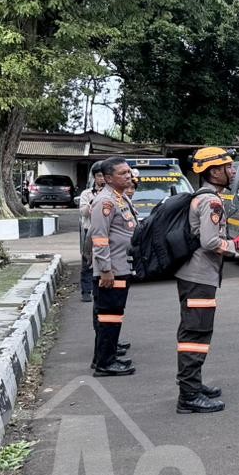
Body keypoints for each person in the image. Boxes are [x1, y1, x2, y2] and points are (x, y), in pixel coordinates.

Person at [174, 147, 239, 414]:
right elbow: (209, 241)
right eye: (228, 167)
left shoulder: (204, 197)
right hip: (199, 277)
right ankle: (189, 396)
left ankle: (193, 385)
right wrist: (237, 246)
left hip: (195, 275)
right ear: (214, 172)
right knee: (195, 334)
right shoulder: (212, 202)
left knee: (196, 331)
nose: (232, 171)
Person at [88, 157, 137, 376]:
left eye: (128, 172)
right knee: (109, 317)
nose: (128, 176)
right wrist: (105, 270)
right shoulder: (105, 202)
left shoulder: (120, 198)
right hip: (112, 270)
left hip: (121, 266)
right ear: (108, 178)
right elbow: (99, 238)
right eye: (122, 173)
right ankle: (105, 364)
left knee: (114, 316)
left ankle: (104, 357)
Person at [77, 163, 106, 303]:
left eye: (104, 176)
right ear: (94, 177)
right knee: (87, 261)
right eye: (99, 176)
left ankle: (101, 289)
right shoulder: (86, 194)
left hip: (105, 232)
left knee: (104, 260)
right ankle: (86, 291)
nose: (102, 179)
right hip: (89, 231)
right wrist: (95, 201)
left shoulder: (111, 193)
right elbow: (84, 212)